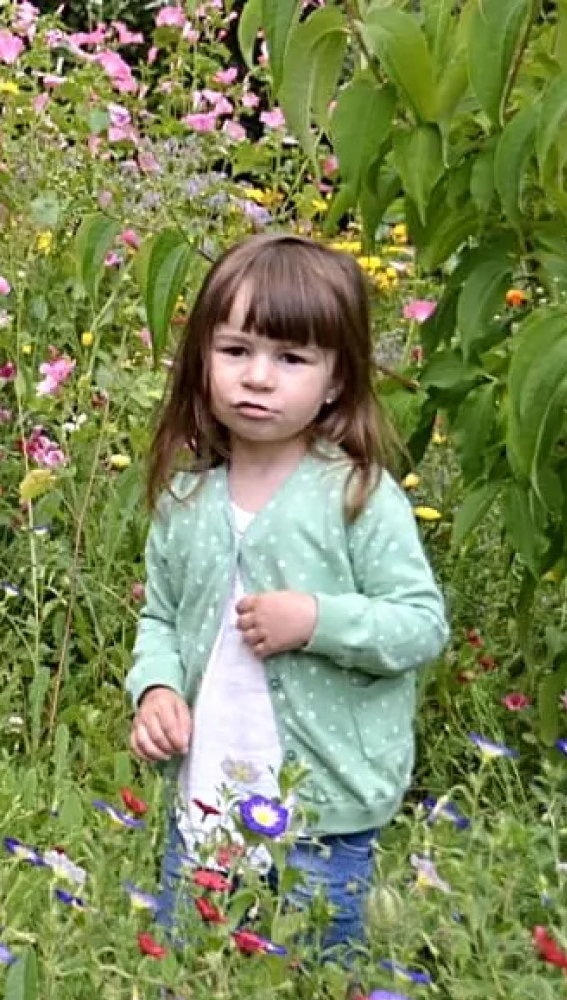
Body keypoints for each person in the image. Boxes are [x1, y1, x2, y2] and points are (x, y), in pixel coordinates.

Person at [124, 233, 448, 958]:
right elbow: (161, 620)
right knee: (189, 975)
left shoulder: (358, 495)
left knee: (313, 983)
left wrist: (317, 619)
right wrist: (155, 689)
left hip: (321, 813)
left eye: (291, 358)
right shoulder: (185, 500)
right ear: (202, 359)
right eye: (236, 351)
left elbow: (420, 625)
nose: (259, 378)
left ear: (336, 380)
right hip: (207, 798)